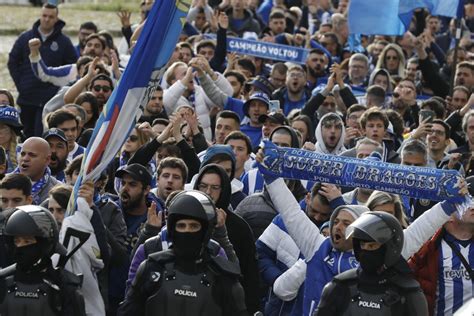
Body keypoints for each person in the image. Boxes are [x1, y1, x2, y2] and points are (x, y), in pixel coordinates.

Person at [118, 190, 247, 316]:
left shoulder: (222, 276)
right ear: (172, 229)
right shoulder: (151, 268)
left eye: (194, 226)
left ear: (205, 231)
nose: (187, 231)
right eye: (181, 226)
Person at [315, 212, 428, 315]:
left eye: (372, 246)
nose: (365, 251)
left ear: (389, 248)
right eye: (362, 245)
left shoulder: (408, 293)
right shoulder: (340, 286)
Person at [0, 205, 86, 316]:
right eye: (16, 241)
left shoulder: (64, 286)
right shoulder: (3, 282)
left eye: (27, 241)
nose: (20, 246)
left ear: (44, 244)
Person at [7, 3, 77, 138]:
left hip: (50, 98)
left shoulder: (64, 42)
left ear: (56, 19)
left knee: (43, 135)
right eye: (44, 16)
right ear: (40, 16)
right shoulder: (25, 37)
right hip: (27, 97)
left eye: (51, 17)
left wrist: (60, 88)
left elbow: (72, 67)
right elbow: (13, 61)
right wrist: (21, 84)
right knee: (25, 135)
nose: (47, 19)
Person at [16, 137, 60, 205]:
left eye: (32, 155)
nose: (25, 158)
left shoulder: (58, 190)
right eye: (23, 154)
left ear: (47, 160)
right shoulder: (3, 183)